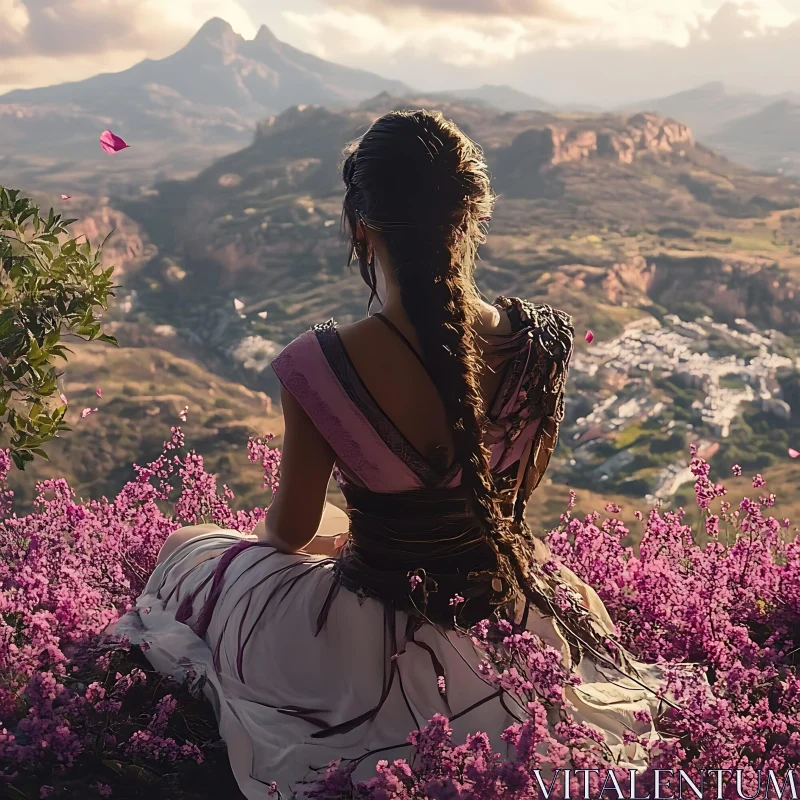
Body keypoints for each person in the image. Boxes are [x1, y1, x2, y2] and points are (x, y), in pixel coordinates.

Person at [116, 110, 674, 799]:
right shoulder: (539, 344)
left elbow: (288, 532)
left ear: (361, 226)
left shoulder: (317, 363)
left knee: (193, 548)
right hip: (513, 616)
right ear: (474, 215)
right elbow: (518, 488)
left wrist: (352, 533)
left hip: (364, 636)